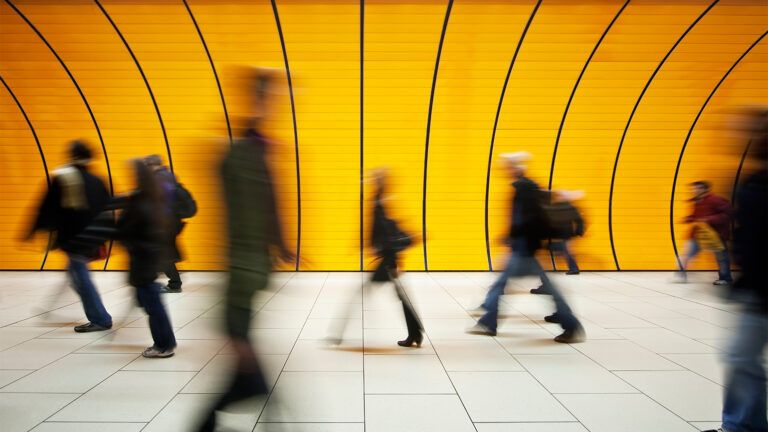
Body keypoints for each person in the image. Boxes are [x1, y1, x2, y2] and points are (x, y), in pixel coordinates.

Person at [196, 69, 294, 432]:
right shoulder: (258, 158)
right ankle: (250, 392)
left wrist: (260, 97)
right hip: (255, 264)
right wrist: (283, 245)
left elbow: (267, 201)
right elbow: (275, 204)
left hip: (242, 264)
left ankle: (256, 391)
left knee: (234, 330)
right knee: (241, 335)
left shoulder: (238, 157)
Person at [468, 152, 585, 343]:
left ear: (516, 167)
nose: (505, 170)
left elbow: (524, 220)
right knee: (542, 287)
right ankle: (569, 324)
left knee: (501, 285)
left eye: (508, 166)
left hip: (523, 248)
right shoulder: (526, 188)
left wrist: (512, 237)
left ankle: (489, 323)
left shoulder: (524, 189)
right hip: (524, 246)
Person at [704, 110, 768, 432]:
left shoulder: (757, 182)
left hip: (760, 288)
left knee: (741, 357)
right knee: (740, 357)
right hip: (757, 288)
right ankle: (743, 426)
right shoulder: (754, 179)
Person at [329, 168, 424, 348]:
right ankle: (415, 332)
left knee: (361, 295)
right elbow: (381, 231)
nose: (370, 181)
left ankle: (337, 335)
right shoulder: (380, 201)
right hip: (388, 259)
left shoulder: (379, 202)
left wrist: (387, 256)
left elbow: (384, 233)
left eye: (374, 179)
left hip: (386, 260)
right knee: (400, 296)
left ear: (379, 182)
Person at [28, 140, 113, 333]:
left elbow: (47, 208)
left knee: (81, 277)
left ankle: (100, 318)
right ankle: (98, 315)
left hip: (74, 239)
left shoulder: (63, 178)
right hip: (93, 237)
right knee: (76, 275)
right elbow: (107, 208)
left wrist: (33, 231)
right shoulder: (98, 179)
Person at [116, 159, 177, 358]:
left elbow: (126, 230)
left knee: (152, 304)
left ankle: (163, 344)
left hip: (143, 258)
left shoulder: (140, 202)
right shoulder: (154, 198)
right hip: (151, 257)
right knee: (149, 301)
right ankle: (166, 342)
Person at [675, 181, 733, 285]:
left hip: (716, 234)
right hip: (699, 234)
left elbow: (727, 214)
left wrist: (709, 219)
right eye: (693, 189)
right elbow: (696, 215)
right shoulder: (697, 201)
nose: (694, 191)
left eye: (697, 188)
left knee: (722, 257)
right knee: (687, 254)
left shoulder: (716, 200)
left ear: (705, 189)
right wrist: (689, 218)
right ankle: (680, 275)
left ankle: (725, 278)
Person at [144, 155, 183, 293]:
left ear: (151, 165)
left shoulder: (158, 178)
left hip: (163, 223)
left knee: (163, 253)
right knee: (164, 252)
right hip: (171, 222)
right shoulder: (170, 176)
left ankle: (174, 283)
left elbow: (158, 201)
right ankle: (171, 280)